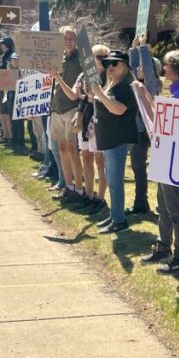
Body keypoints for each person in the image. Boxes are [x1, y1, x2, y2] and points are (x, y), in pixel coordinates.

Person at [139, 47, 179, 273]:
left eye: (168, 65)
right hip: (167, 155)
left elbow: (163, 123)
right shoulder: (177, 92)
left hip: (174, 158)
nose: (164, 69)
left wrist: (145, 99)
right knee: (163, 204)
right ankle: (164, 246)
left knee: (174, 208)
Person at [92, 49, 139, 234]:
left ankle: (119, 221)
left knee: (115, 179)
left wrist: (99, 94)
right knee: (110, 177)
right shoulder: (112, 83)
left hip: (119, 137)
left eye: (115, 63)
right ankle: (114, 216)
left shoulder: (126, 86)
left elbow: (119, 109)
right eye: (107, 63)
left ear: (125, 66)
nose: (110, 66)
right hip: (109, 136)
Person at [48, 27, 86, 205]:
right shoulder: (57, 58)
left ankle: (79, 188)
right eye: (65, 39)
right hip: (57, 108)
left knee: (72, 149)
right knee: (62, 149)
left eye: (71, 38)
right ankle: (68, 186)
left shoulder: (81, 58)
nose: (69, 42)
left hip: (71, 108)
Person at [71, 45, 110, 216]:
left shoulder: (109, 75)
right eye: (97, 56)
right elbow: (76, 94)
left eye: (103, 56)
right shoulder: (84, 75)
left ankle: (100, 198)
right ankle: (88, 194)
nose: (100, 59)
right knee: (86, 156)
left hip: (100, 118)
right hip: (86, 115)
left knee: (100, 159)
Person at [127, 36, 162, 215]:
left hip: (148, 132)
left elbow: (146, 70)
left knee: (147, 169)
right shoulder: (136, 84)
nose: (139, 68)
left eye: (143, 65)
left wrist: (143, 48)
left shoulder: (152, 85)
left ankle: (151, 204)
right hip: (138, 131)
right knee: (137, 168)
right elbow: (132, 69)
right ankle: (141, 202)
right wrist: (133, 49)